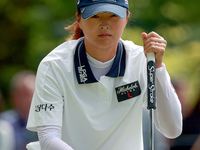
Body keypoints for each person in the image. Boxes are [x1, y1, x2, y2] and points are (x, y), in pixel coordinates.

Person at [26, 0, 182, 150]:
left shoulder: (141, 60)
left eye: (114, 15)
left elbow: (172, 129)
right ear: (79, 19)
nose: (105, 25)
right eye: (95, 16)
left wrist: (158, 67)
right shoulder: (54, 65)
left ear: (126, 17)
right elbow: (48, 139)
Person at [0, 70, 38, 150]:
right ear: (13, 96)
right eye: (26, 94)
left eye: (35, 93)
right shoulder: (3, 124)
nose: (31, 99)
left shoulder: (49, 122)